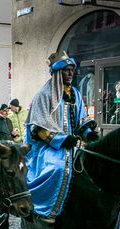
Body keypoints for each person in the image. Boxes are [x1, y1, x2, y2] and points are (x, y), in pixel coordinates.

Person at [25, 51, 98, 220]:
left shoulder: (76, 94)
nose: (71, 73)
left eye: (72, 70)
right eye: (67, 70)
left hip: (73, 143)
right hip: (48, 147)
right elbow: (38, 128)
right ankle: (45, 210)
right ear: (58, 73)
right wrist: (62, 140)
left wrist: (89, 133)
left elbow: (82, 119)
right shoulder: (44, 96)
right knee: (58, 168)